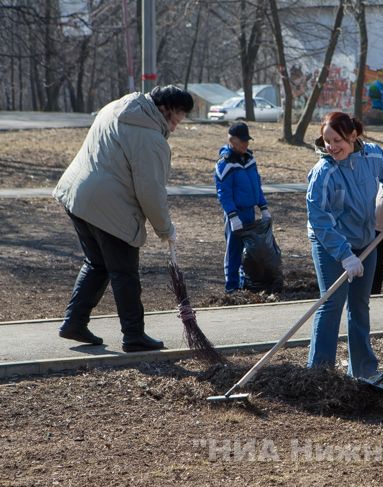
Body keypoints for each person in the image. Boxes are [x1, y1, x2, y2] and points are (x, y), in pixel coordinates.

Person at [53, 85, 194, 352]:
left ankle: (74, 322)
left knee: (97, 263)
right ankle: (133, 335)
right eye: (175, 120)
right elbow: (150, 191)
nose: (175, 128)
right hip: (110, 207)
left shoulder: (117, 107)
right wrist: (166, 229)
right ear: (164, 109)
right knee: (124, 273)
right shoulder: (150, 138)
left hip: (77, 196)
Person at [306, 111, 383, 378]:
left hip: (365, 240)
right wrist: (344, 255)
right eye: (327, 141)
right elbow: (319, 219)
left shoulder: (372, 156)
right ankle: (319, 373)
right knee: (331, 303)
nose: (331, 147)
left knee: (360, 304)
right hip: (330, 244)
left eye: (337, 140)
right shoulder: (323, 172)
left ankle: (362, 370)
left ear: (353, 136)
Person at [214, 122, 270, 293]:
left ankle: (244, 281)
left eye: (247, 140)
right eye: (242, 141)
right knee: (234, 249)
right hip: (235, 214)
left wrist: (263, 207)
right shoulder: (225, 164)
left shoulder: (250, 159)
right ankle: (231, 287)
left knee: (249, 250)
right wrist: (232, 216)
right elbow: (224, 193)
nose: (246, 144)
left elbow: (256, 185)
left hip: (250, 212)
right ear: (232, 140)